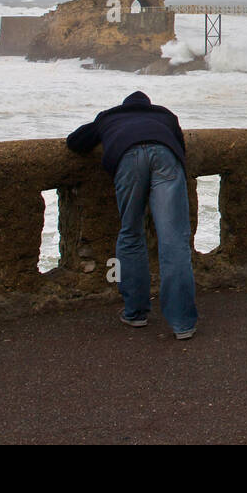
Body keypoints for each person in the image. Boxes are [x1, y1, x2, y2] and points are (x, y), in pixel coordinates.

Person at [67, 91, 198, 340]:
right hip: (165, 156)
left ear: (124, 106)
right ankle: (182, 324)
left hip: (127, 157)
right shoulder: (165, 115)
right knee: (173, 241)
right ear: (148, 106)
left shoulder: (109, 116)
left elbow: (75, 142)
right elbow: (180, 147)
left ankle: (135, 313)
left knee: (130, 231)